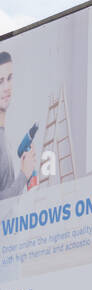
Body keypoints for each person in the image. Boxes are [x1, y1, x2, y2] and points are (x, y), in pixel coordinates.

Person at [0, 51, 37, 200]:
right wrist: (24, 174)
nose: (6, 87)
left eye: (9, 78)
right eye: (0, 81)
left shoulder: (4, 138)